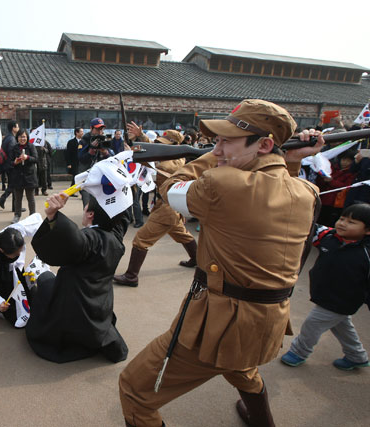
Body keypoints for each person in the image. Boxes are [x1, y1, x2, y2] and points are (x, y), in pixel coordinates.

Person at [119, 99, 323, 427]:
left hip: (219, 323)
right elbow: (275, 201)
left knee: (135, 389)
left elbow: (171, 190)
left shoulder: (221, 182)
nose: (218, 148)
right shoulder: (307, 191)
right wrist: (292, 162)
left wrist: (205, 158)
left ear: (265, 144)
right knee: (242, 369)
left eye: (226, 141)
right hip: (265, 323)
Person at [25, 193, 130, 363]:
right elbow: (123, 214)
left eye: (86, 207)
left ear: (90, 214)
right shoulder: (116, 236)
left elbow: (72, 237)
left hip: (73, 302)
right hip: (99, 303)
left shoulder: (88, 241)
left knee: (43, 281)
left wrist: (52, 216)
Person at [280, 203, 370, 371]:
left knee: (312, 324)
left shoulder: (366, 253)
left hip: (341, 300)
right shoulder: (329, 237)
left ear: (367, 230)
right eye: (342, 218)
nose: (342, 223)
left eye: (351, 222)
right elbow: (308, 225)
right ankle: (357, 356)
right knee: (342, 325)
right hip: (327, 295)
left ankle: (299, 352)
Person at [114, 129, 198, 287]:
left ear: (175, 145)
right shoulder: (171, 155)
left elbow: (157, 163)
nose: (160, 146)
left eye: (164, 144)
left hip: (167, 207)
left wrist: (133, 154)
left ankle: (131, 276)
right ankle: (197, 259)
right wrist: (141, 137)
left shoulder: (177, 161)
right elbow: (155, 151)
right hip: (165, 204)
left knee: (141, 239)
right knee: (182, 234)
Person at [0, 214, 43, 326]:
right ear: (2, 251)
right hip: (0, 276)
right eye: (16, 254)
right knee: (14, 313)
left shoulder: (16, 232)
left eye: (20, 251)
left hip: (14, 270)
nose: (19, 255)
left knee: (28, 296)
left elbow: (35, 222)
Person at [78, 118, 114, 206]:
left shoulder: (105, 140)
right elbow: (80, 158)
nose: (100, 131)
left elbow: (112, 159)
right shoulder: (85, 140)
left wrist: (105, 152)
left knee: (99, 207)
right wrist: (91, 151)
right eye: (97, 129)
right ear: (91, 128)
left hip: (100, 179)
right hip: (86, 178)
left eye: (101, 129)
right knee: (87, 205)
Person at [316, 150, 357, 227]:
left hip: (336, 203)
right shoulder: (332, 168)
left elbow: (345, 186)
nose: (345, 162)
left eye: (348, 160)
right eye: (343, 159)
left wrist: (331, 181)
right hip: (323, 199)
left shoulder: (351, 173)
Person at [9, 129, 38, 223]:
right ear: (17, 138)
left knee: (31, 198)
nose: (23, 138)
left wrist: (27, 157)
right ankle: (17, 215)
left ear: (27, 137)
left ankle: (32, 215)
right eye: (21, 136)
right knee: (18, 198)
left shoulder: (31, 146)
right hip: (18, 176)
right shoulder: (14, 148)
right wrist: (15, 162)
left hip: (29, 176)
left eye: (24, 136)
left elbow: (36, 159)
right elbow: (9, 161)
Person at [0, 121, 19, 210]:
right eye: (17, 126)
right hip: (10, 165)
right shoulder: (12, 139)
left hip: (6, 165)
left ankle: (15, 206)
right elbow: (11, 153)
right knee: (13, 185)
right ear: (13, 128)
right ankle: (2, 199)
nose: (18, 128)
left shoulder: (7, 137)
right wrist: (13, 164)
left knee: (13, 185)